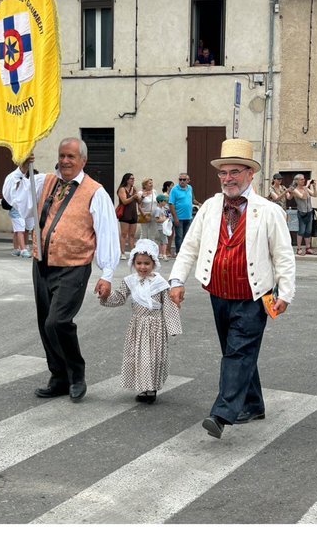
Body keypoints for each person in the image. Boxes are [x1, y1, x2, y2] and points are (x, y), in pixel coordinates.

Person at [168, 138, 294, 438]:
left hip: (255, 295)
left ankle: (223, 412)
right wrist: (176, 280)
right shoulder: (210, 207)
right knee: (235, 350)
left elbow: (283, 254)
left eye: (235, 172)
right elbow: (190, 246)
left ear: (251, 174)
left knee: (237, 352)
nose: (229, 179)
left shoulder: (268, 211)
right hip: (219, 294)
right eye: (224, 173)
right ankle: (253, 403)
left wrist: (285, 293)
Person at [31, 137, 120, 402]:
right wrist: (22, 168)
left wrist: (107, 274)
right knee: (44, 324)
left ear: (83, 160)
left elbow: (107, 233)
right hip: (42, 264)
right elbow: (14, 196)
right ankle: (58, 377)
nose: (65, 161)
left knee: (57, 321)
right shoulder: (45, 182)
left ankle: (76, 373)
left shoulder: (95, 192)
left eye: (71, 156)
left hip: (74, 267)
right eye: (62, 156)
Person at [99, 239, 183, 404]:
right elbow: (119, 298)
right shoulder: (130, 281)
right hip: (137, 325)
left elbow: (168, 306)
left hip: (155, 326)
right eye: (139, 263)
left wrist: (172, 327)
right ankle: (143, 386)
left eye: (146, 263)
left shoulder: (160, 284)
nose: (142, 267)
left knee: (153, 358)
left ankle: (151, 389)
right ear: (133, 263)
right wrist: (105, 296)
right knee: (139, 357)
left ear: (154, 263)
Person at [3, 155, 38, 257]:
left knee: (26, 228)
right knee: (19, 229)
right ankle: (22, 249)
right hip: (16, 208)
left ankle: (23, 247)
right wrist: (25, 165)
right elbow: (18, 175)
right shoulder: (13, 177)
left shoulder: (29, 180)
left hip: (27, 208)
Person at [168, 172, 197, 254]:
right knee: (179, 237)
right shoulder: (174, 190)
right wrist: (175, 217)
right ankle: (178, 252)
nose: (182, 181)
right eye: (180, 179)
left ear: (187, 180)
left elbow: (192, 200)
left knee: (187, 236)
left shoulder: (190, 188)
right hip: (179, 218)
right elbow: (171, 204)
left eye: (184, 180)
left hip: (188, 217)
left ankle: (185, 252)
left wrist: (199, 204)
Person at [289, 174, 317, 255]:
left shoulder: (305, 188)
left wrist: (314, 187)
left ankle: (308, 248)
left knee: (308, 231)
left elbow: (315, 195)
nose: (304, 180)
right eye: (301, 179)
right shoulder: (295, 190)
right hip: (302, 212)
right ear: (297, 181)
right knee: (301, 230)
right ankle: (299, 248)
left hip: (309, 211)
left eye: (304, 179)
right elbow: (303, 197)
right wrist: (307, 185)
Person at [116, 172, 139, 256]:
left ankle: (133, 252)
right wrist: (133, 197)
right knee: (124, 234)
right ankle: (122, 252)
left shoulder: (134, 189)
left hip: (133, 213)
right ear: (127, 180)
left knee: (132, 235)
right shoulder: (122, 189)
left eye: (133, 179)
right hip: (125, 213)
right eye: (131, 179)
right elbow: (124, 201)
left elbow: (138, 202)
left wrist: (140, 197)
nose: (133, 180)